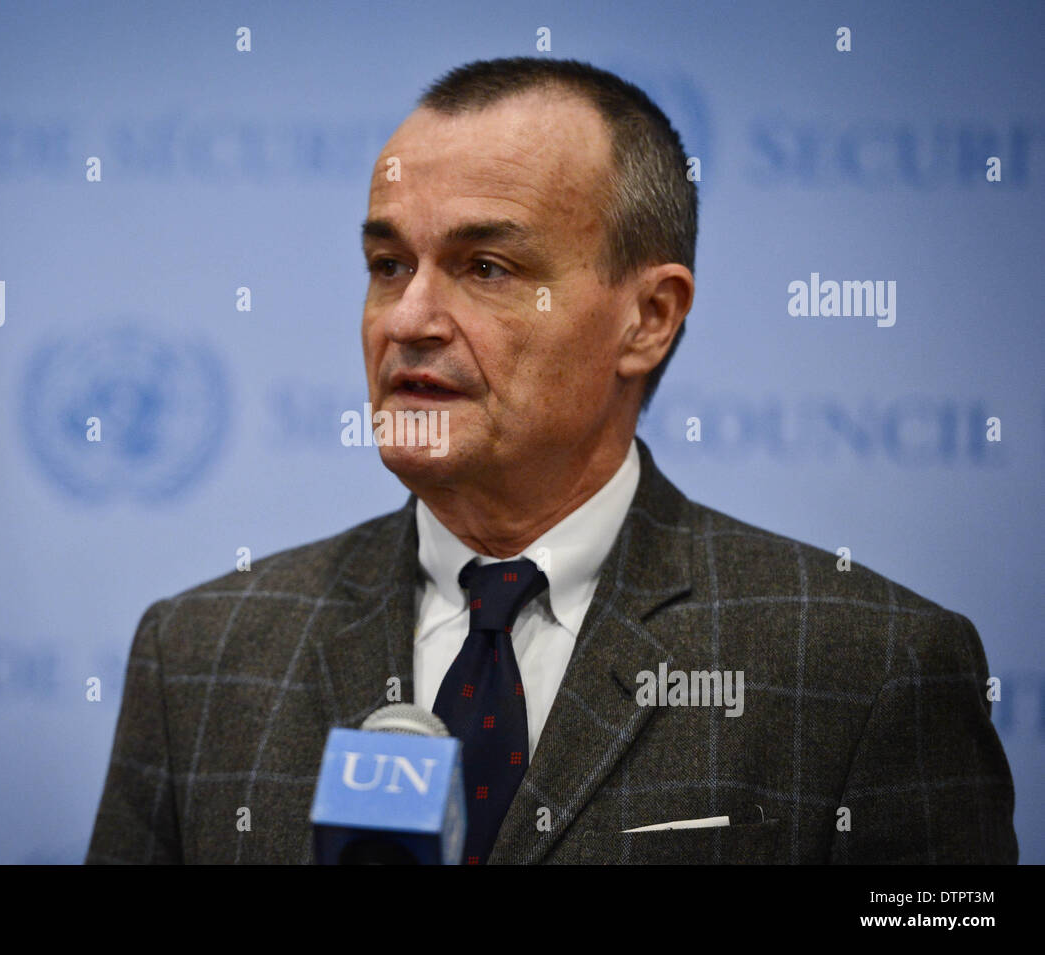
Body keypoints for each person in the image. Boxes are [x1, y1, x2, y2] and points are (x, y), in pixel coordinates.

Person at [86, 57, 1016, 864]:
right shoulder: (202, 656)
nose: (408, 319)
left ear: (647, 318)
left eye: (486, 267)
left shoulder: (866, 668)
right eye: (387, 265)